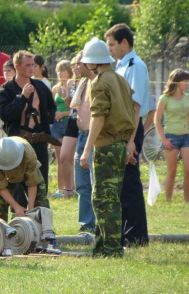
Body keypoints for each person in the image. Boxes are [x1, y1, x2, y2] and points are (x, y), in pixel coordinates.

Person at [79, 37, 136, 258]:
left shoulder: (99, 82)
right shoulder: (120, 79)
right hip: (120, 144)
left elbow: (98, 117)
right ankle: (102, 245)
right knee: (109, 196)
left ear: (92, 63)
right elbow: (133, 111)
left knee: (103, 198)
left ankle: (112, 249)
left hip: (106, 146)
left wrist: (86, 150)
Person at [105, 23, 150, 247]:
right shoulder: (121, 66)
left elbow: (136, 106)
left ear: (124, 42)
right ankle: (126, 233)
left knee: (130, 183)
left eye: (112, 44)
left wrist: (132, 141)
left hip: (129, 130)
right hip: (122, 129)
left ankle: (136, 236)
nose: (109, 49)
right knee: (122, 184)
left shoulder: (135, 66)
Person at [0, 50, 57, 203]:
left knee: (40, 183)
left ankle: (41, 217)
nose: (31, 68)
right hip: (17, 142)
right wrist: (22, 98)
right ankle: (19, 217)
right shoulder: (7, 89)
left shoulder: (41, 87)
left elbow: (51, 107)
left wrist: (46, 118)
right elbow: (4, 114)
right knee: (17, 183)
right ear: (17, 66)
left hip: (39, 141)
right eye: (27, 65)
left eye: (33, 65)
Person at [0, 137, 50, 220]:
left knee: (41, 203)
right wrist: (16, 207)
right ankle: (0, 229)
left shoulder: (28, 153)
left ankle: (45, 230)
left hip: (27, 175)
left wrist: (31, 208)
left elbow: (32, 183)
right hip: (6, 178)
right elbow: (0, 187)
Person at [154, 69, 189, 202]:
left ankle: (187, 201)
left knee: (188, 171)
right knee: (172, 171)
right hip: (171, 137)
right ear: (176, 82)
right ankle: (168, 200)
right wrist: (164, 139)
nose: (187, 83)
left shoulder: (187, 98)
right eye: (185, 81)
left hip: (186, 136)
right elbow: (156, 120)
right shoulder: (165, 98)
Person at [71, 51, 96, 233]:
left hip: (93, 138)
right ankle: (86, 225)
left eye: (79, 63)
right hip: (81, 136)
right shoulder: (83, 83)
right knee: (82, 185)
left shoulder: (99, 83)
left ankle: (98, 224)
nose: (76, 66)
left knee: (96, 184)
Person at [58, 55, 81, 199]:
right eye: (73, 65)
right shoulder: (72, 83)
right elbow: (70, 106)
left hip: (85, 121)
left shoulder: (90, 81)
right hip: (72, 121)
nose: (75, 68)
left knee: (80, 158)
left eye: (77, 65)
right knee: (64, 156)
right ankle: (68, 190)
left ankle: (81, 189)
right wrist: (66, 97)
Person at [50, 60, 73, 198]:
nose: (59, 73)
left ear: (68, 71)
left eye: (62, 70)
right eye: (58, 71)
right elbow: (53, 106)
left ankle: (71, 187)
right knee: (59, 158)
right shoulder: (55, 88)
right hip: (57, 124)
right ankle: (60, 189)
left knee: (68, 158)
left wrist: (63, 112)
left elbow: (72, 107)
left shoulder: (71, 84)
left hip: (68, 122)